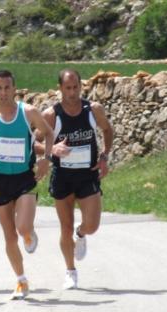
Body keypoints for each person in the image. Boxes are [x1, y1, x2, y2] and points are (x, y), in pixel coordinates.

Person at [0, 70, 53, 300]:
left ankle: (29, 233)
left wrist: (46, 159)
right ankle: (21, 280)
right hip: (0, 181)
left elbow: (49, 133)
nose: (3, 92)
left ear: (14, 89)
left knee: (23, 227)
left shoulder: (28, 113)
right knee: (9, 236)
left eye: (7, 88)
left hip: (25, 178)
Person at [39, 68, 113, 290]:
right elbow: (34, 142)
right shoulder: (51, 115)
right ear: (60, 88)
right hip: (62, 176)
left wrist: (104, 156)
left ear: (81, 86)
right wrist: (52, 149)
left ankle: (82, 235)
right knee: (65, 227)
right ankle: (70, 271)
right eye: (68, 88)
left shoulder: (94, 110)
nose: (72, 92)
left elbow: (107, 130)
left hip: (87, 174)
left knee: (92, 224)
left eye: (76, 87)